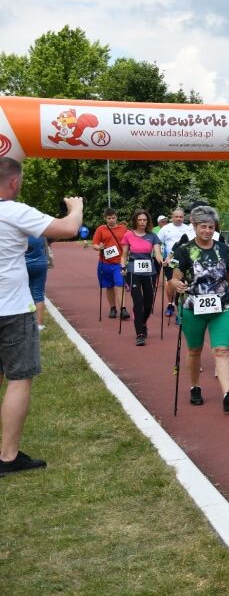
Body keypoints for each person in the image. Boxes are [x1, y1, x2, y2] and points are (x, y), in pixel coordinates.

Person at [0, 158, 83, 477]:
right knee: (19, 378)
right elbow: (68, 228)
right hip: (12, 308)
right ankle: (8, 456)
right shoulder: (14, 211)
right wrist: (75, 207)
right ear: (14, 182)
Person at [169, 205, 229, 411]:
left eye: (211, 227)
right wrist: (176, 285)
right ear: (195, 226)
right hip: (193, 308)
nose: (207, 231)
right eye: (203, 226)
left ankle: (228, 394)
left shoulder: (225, 249)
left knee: (221, 350)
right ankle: (195, 386)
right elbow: (174, 278)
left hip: (222, 307)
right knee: (194, 350)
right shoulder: (184, 250)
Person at [120, 209, 164, 346]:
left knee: (148, 303)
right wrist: (123, 267)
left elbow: (157, 254)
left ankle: (143, 322)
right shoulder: (128, 235)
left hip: (149, 272)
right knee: (138, 302)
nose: (142, 222)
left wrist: (162, 261)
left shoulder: (153, 236)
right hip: (133, 271)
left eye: (144, 220)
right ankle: (139, 334)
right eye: (140, 220)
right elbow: (124, 255)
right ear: (135, 221)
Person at [91, 207, 129, 320]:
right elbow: (94, 244)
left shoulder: (123, 229)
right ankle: (113, 308)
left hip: (119, 263)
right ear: (105, 218)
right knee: (109, 286)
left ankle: (123, 309)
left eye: (113, 218)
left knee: (120, 284)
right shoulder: (101, 229)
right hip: (105, 263)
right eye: (109, 218)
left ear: (116, 217)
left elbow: (129, 242)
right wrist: (99, 247)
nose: (111, 220)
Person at [158, 209, 194, 316]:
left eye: (181, 217)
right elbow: (157, 243)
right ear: (172, 217)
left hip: (186, 261)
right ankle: (170, 304)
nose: (179, 219)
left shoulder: (188, 229)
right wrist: (161, 257)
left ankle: (181, 308)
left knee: (183, 283)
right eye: (176, 217)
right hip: (172, 260)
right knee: (170, 282)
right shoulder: (165, 228)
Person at [25, 236, 50, 330]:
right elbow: (46, 246)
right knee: (39, 294)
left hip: (24, 264)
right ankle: (39, 324)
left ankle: (25, 321)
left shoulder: (20, 230)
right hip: (40, 263)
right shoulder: (40, 232)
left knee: (22, 293)